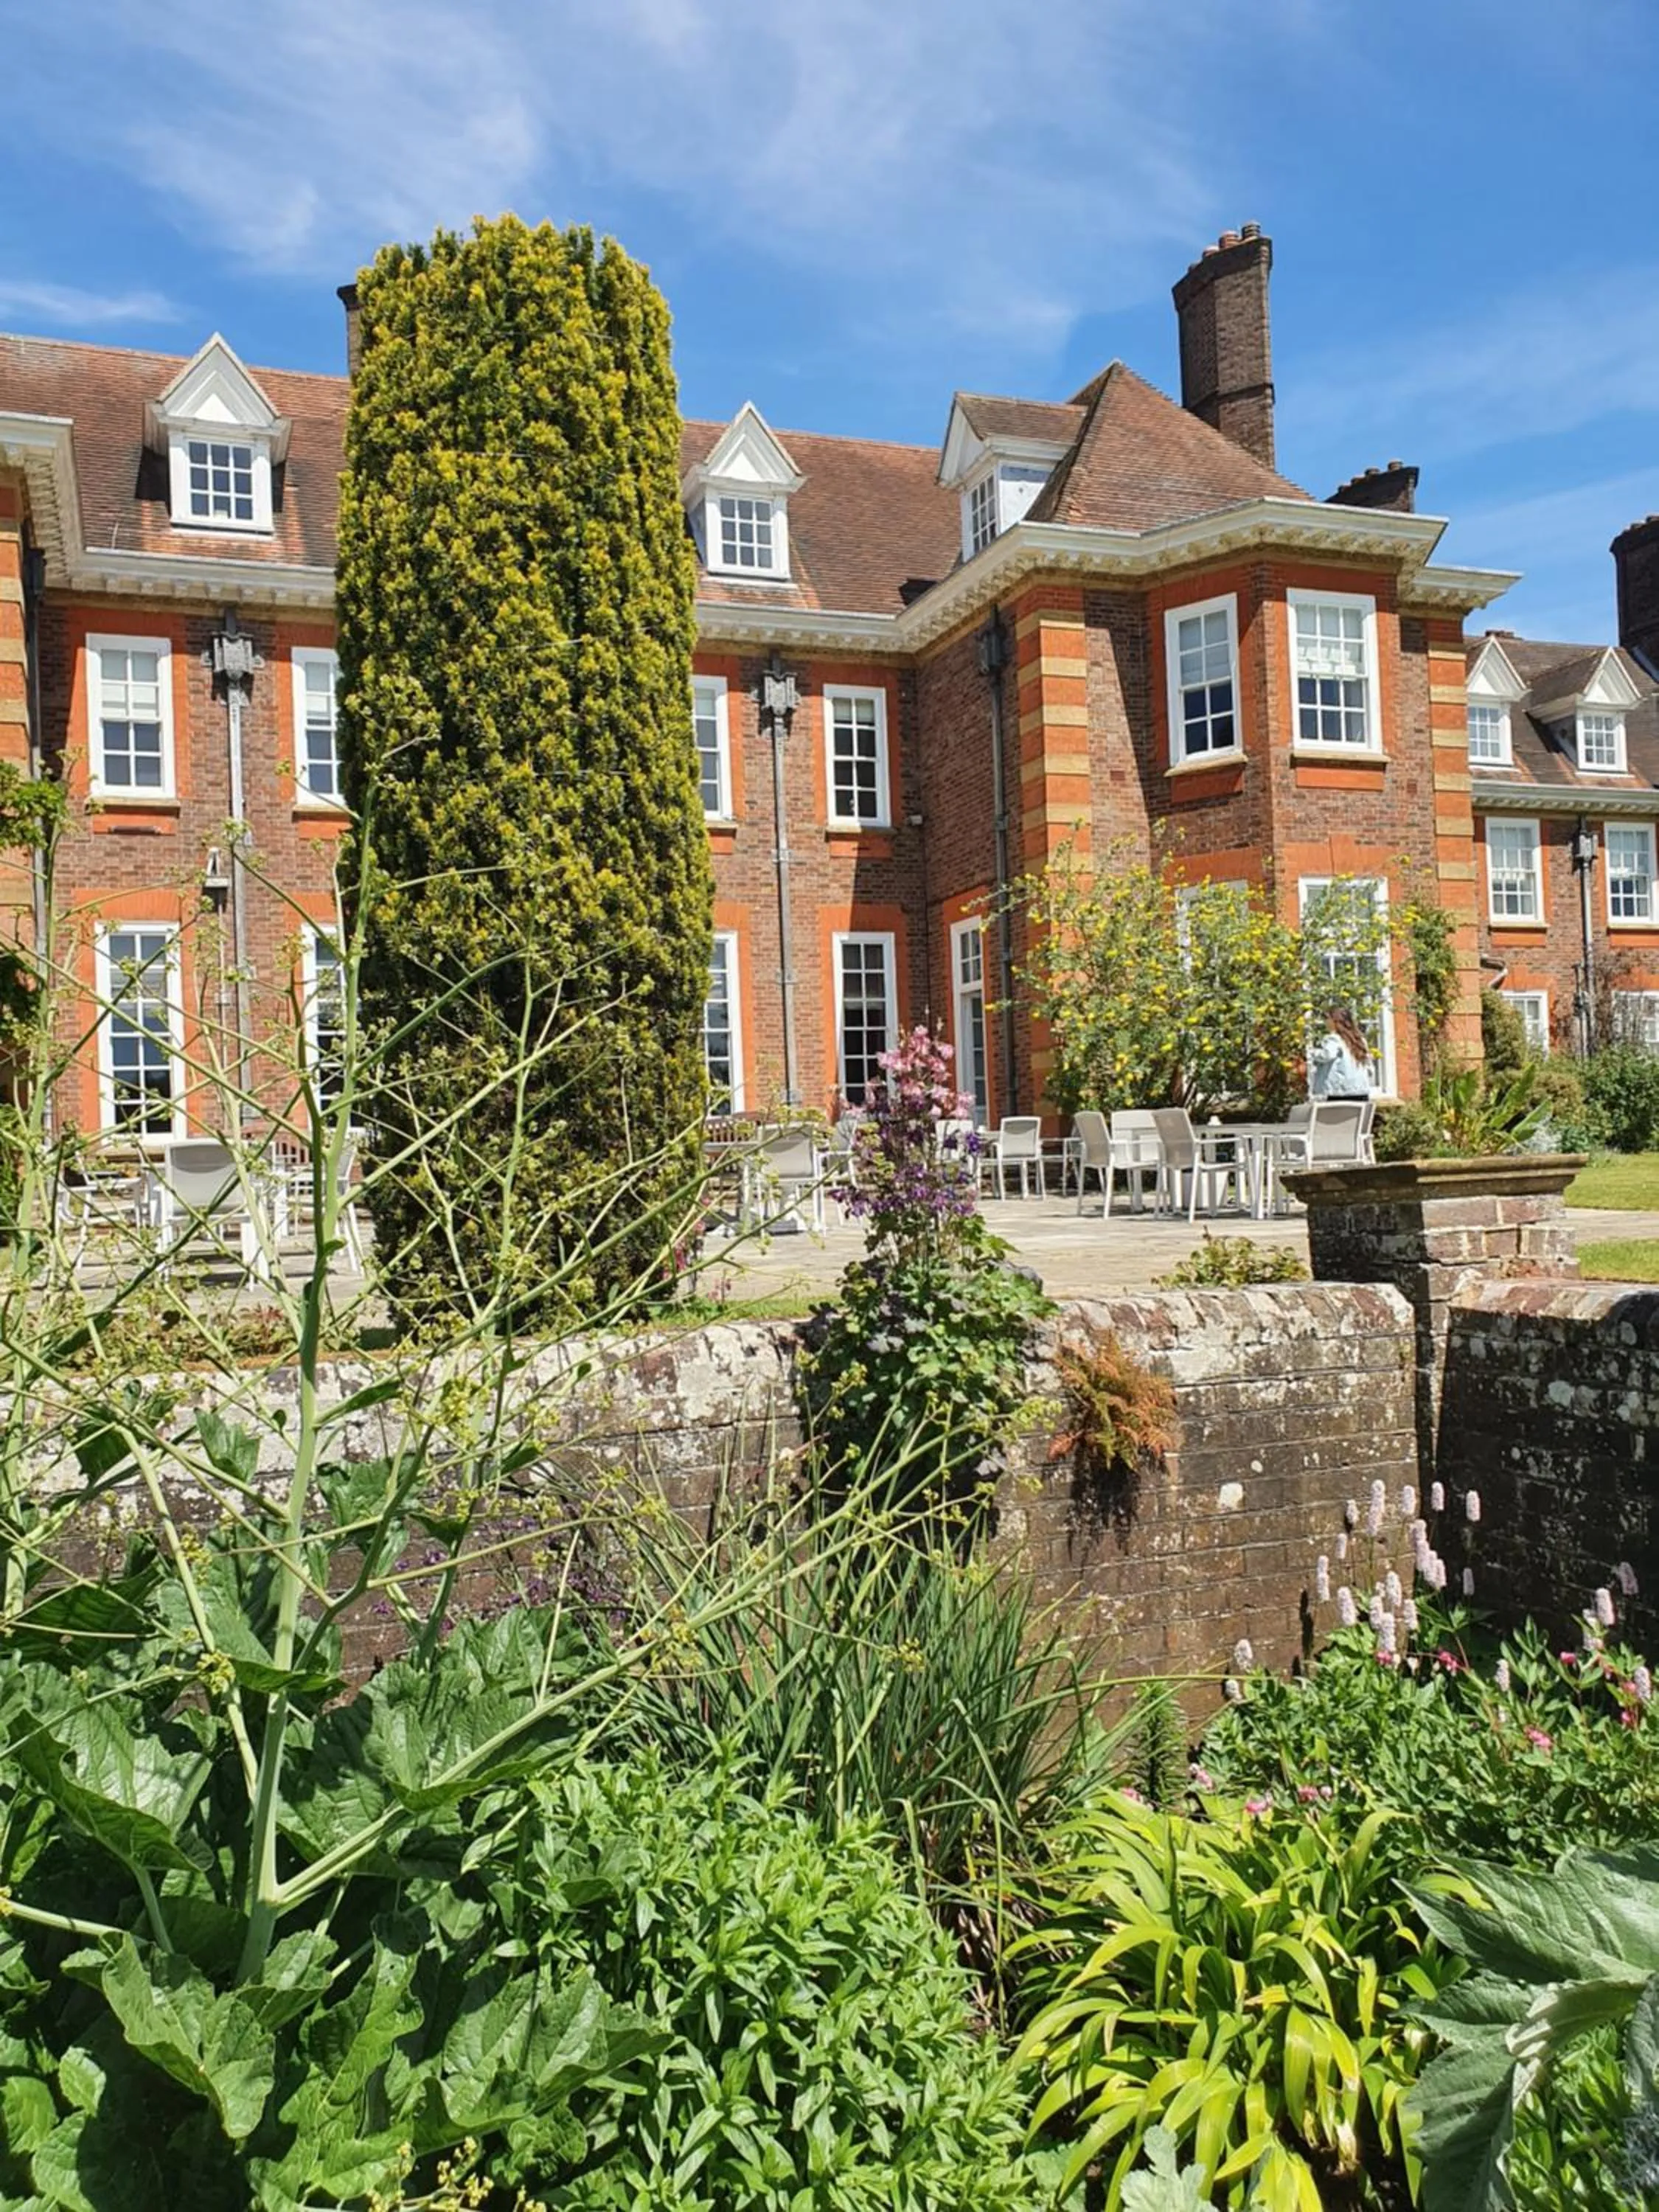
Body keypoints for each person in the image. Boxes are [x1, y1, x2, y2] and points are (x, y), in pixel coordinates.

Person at [1310, 1005, 1374, 1101]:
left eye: (1327, 1019)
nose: (1326, 1022)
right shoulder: (1360, 1041)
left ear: (1334, 1021)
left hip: (1339, 1093)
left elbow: (1328, 1054)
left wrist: (1312, 1052)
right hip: (1361, 1092)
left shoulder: (1334, 1039)